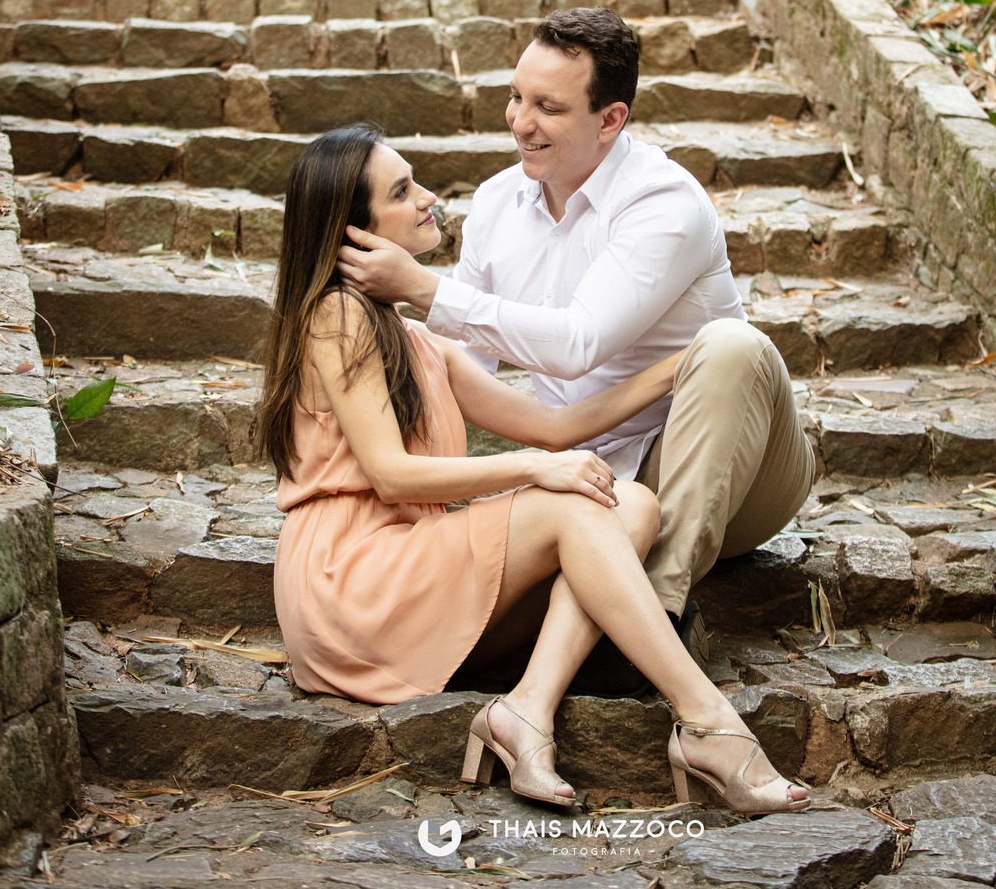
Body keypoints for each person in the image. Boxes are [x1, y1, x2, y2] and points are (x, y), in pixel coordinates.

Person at [256, 122, 809, 816]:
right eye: (402, 191)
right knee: (572, 498)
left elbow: (558, 426)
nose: (429, 199)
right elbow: (392, 475)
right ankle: (708, 720)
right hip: (354, 577)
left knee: (631, 505)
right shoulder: (337, 316)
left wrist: (700, 354)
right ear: (353, 233)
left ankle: (527, 709)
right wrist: (532, 471)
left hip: (409, 567)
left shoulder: (420, 339)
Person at [336, 6, 815, 655]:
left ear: (610, 120)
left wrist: (421, 288)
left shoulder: (662, 203)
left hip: (730, 463)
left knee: (735, 347)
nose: (519, 122)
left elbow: (574, 344)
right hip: (588, 467)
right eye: (515, 97)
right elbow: (470, 373)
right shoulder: (496, 207)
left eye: (548, 108)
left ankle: (657, 610)